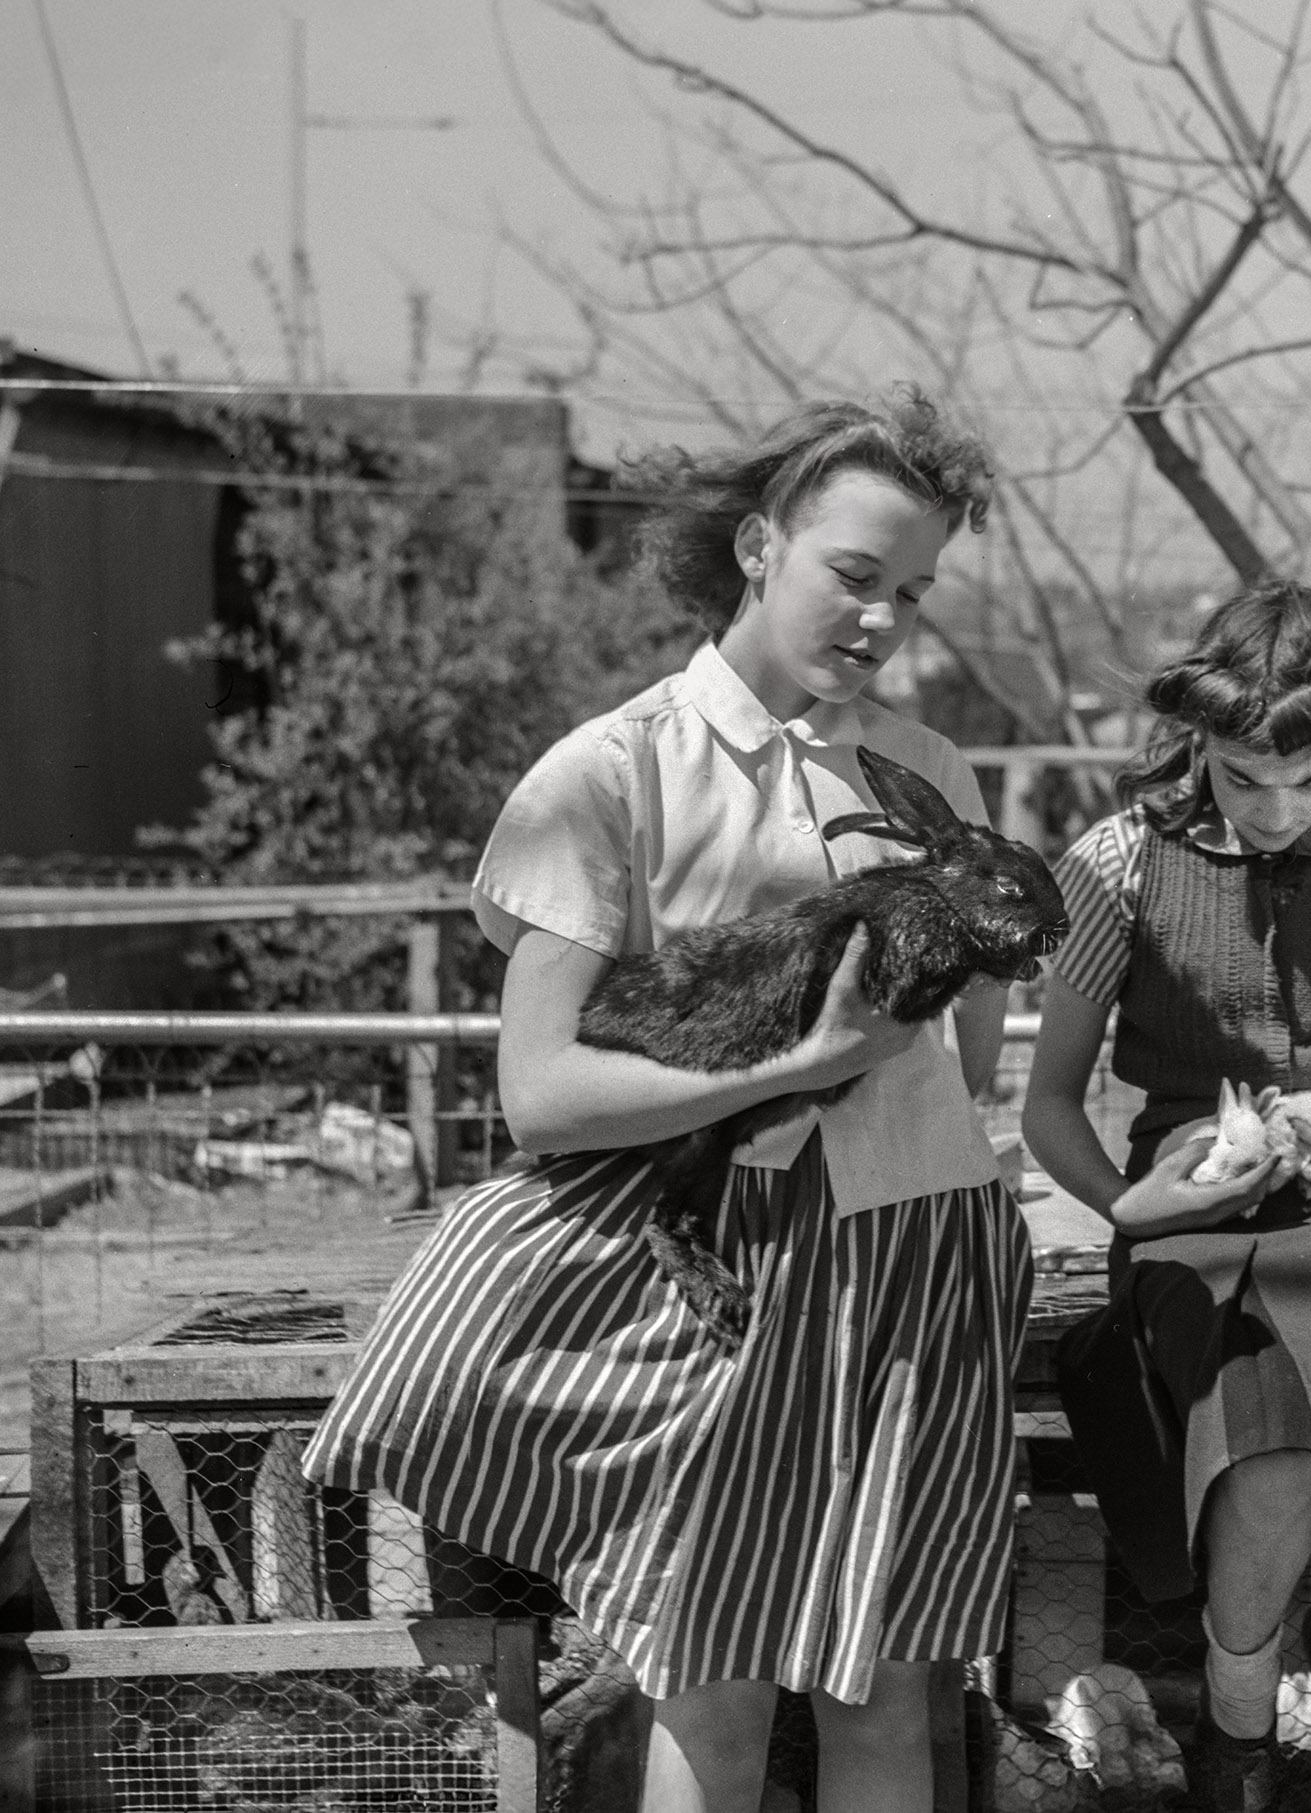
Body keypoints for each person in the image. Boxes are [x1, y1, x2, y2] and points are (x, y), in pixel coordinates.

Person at [303, 392, 1023, 1813]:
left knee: (887, 1687)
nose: (882, 622)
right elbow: (543, 1093)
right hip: (723, 1276)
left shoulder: (933, 770)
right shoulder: (607, 774)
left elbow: (971, 1055)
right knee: (717, 1683)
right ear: (759, 546)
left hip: (917, 1251)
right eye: (856, 577)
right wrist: (793, 1067)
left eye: (914, 592)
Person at [1022, 579, 1311, 1812]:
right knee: (1267, 1460)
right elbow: (1047, 1106)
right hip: (1191, 1219)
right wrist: (1135, 1206)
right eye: (1241, 777)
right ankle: (1237, 1740)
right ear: (1197, 747)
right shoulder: (1118, 863)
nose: (1277, 808)